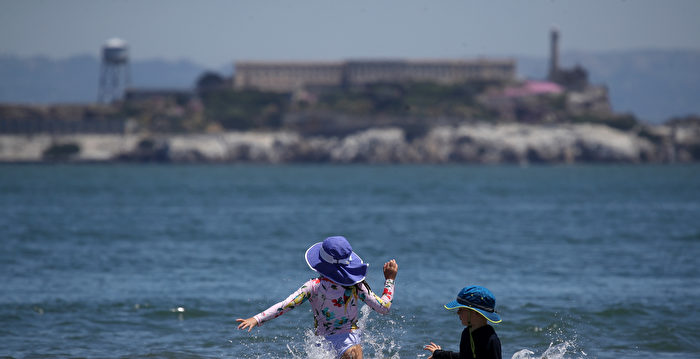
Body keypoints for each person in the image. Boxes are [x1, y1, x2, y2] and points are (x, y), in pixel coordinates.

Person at [237, 235, 398, 359]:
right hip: (343, 345)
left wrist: (257, 319)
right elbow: (384, 308)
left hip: (324, 346)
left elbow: (285, 305)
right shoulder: (356, 286)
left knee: (350, 352)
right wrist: (389, 280)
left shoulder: (313, 286)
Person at [424, 286, 502, 359]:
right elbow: (464, 356)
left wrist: (439, 354)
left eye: (461, 309)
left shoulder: (491, 339)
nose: (458, 312)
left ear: (476, 313)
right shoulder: (467, 332)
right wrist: (439, 355)